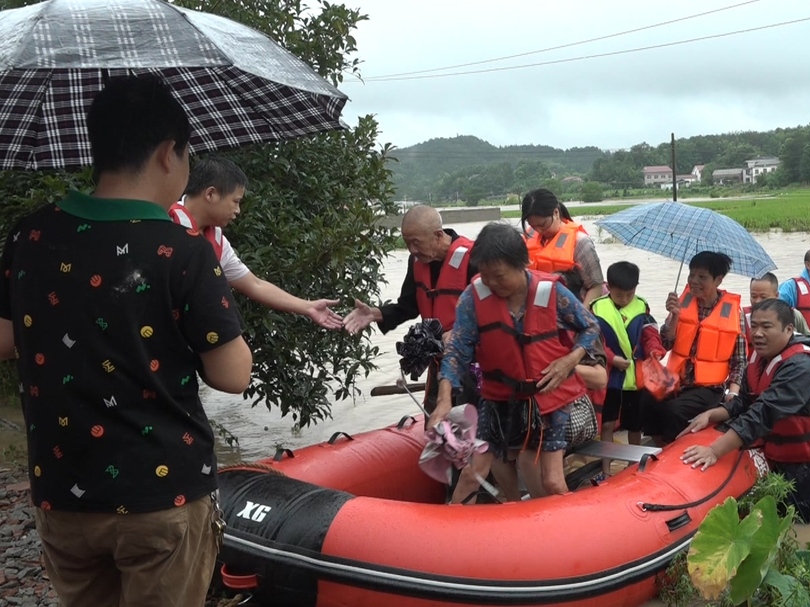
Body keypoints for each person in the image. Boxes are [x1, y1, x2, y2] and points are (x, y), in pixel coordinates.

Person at [0, 75, 253, 607]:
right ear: (168, 153)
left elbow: (4, 340)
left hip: (62, 487)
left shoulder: (30, 235)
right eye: (188, 154)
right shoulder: (181, 250)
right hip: (159, 492)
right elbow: (232, 375)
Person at [433, 222, 603, 503]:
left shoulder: (553, 293)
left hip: (549, 397)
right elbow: (456, 353)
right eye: (484, 276)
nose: (491, 284)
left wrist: (568, 361)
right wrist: (444, 399)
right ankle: (452, 533)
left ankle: (572, 536)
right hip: (499, 396)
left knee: (552, 480)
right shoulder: (472, 299)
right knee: (471, 474)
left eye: (498, 276)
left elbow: (590, 328)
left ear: (522, 264)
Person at [680, 299, 810, 523]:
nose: (757, 333)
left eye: (766, 327)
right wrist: (713, 414)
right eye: (754, 326)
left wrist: (714, 451)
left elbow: (763, 413)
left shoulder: (801, 366)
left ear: (788, 329)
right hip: (787, 460)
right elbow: (746, 400)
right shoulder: (759, 358)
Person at [172, 157, 344, 329]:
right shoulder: (166, 222)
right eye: (236, 201)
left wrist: (308, 307)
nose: (238, 210)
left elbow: (255, 284)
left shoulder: (216, 239)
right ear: (211, 194)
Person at [344, 205, 478, 409]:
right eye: (407, 243)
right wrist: (374, 314)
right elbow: (408, 306)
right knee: (436, 430)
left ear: (438, 235)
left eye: (416, 243)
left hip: (473, 364)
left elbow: (496, 311)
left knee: (469, 428)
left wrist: (461, 332)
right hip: (438, 363)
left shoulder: (475, 259)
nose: (412, 250)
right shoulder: (416, 261)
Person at [641, 252, 746, 446]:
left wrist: (734, 392)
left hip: (709, 388)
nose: (694, 281)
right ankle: (659, 445)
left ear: (718, 280)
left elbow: (739, 360)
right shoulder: (682, 303)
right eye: (691, 275)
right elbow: (665, 345)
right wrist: (673, 317)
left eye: (702, 277)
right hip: (676, 380)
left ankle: (674, 448)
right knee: (646, 398)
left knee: (674, 410)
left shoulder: (734, 314)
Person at [589, 262, 665, 477]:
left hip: (635, 374)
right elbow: (593, 340)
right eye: (619, 295)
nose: (624, 299)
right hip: (609, 375)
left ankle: (633, 467)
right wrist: (612, 359)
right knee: (608, 424)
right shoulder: (596, 307)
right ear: (608, 287)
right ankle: (605, 469)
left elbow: (650, 334)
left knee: (634, 425)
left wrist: (654, 351)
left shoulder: (642, 306)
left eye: (629, 294)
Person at [520, 189, 604, 304]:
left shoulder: (580, 242)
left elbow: (596, 286)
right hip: (538, 308)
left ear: (556, 213)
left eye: (542, 225)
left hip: (571, 308)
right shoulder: (527, 238)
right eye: (533, 226)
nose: (539, 230)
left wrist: (582, 315)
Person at [745, 272, 810, 352]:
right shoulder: (742, 317)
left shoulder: (793, 315)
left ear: (776, 296)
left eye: (763, 297)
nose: (758, 301)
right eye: (754, 296)